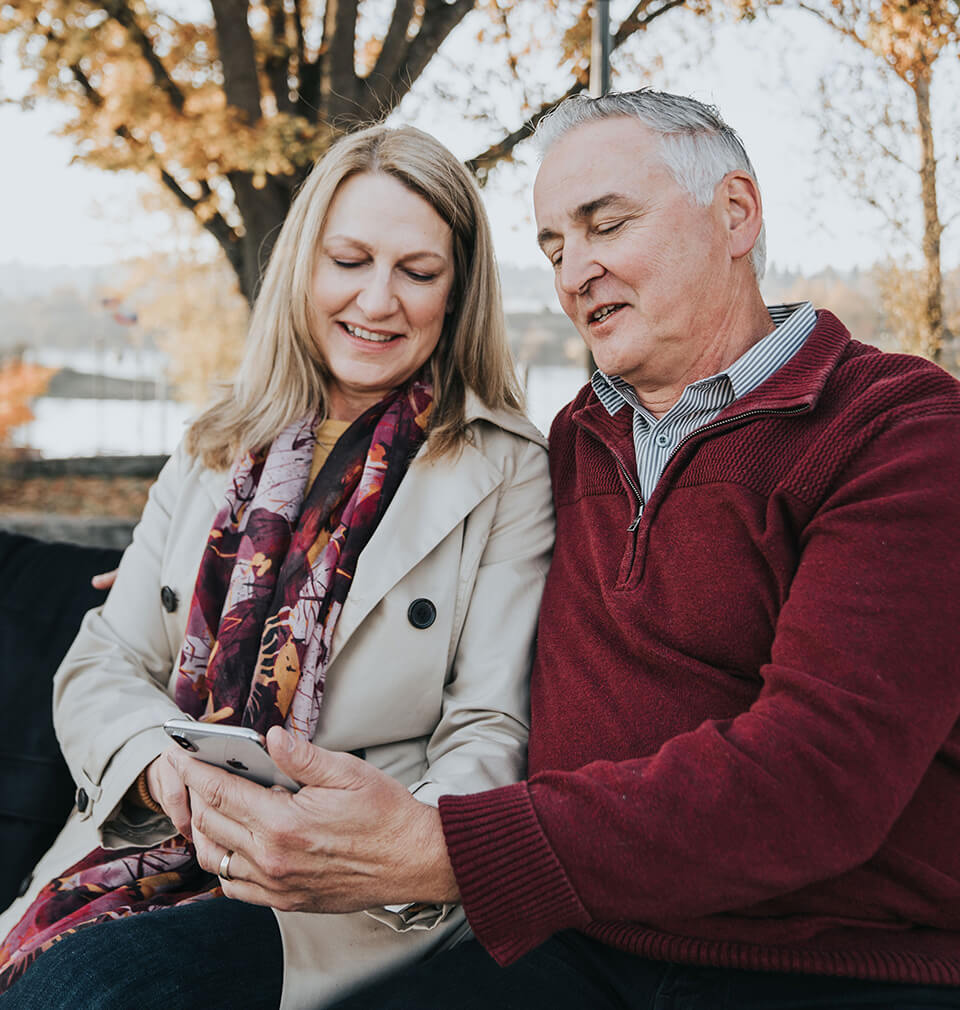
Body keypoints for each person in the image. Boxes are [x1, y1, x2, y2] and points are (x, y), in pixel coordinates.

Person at [149, 88, 960, 1010]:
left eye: (604, 225)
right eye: (554, 247)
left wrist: (442, 850)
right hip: (577, 947)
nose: (576, 271)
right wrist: (190, 576)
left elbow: (822, 778)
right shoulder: (573, 443)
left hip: (832, 963)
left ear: (735, 213)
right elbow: (422, 554)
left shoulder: (899, 430)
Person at [0, 124, 554, 1009]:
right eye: (350, 260)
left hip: (333, 892)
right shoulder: (216, 441)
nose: (378, 301)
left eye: (418, 272)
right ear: (303, 265)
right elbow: (105, 660)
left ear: (457, 293)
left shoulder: (506, 468)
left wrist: (387, 849)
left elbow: (490, 727)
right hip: (153, 843)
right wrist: (157, 764)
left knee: (95, 991)